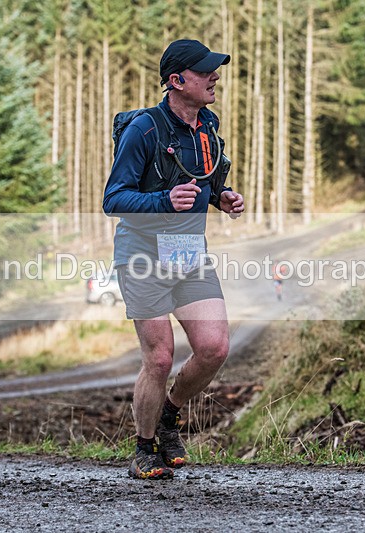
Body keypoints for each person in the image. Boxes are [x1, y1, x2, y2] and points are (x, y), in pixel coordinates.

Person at [103, 39, 244, 480]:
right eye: (205, 72)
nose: (214, 77)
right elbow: (114, 199)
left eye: (214, 70)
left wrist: (222, 197)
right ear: (176, 81)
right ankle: (143, 450)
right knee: (160, 358)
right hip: (142, 256)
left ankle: (169, 415)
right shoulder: (143, 129)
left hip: (189, 255)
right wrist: (164, 199)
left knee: (214, 348)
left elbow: (209, 177)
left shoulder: (208, 126)